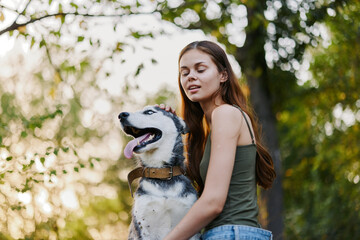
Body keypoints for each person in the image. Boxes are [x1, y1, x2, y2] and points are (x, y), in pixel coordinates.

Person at [161, 40, 276, 240]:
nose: (191, 77)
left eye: (200, 69)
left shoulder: (225, 114)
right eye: (185, 72)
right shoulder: (206, 131)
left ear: (223, 75)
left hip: (232, 234)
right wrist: (165, 127)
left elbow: (213, 202)